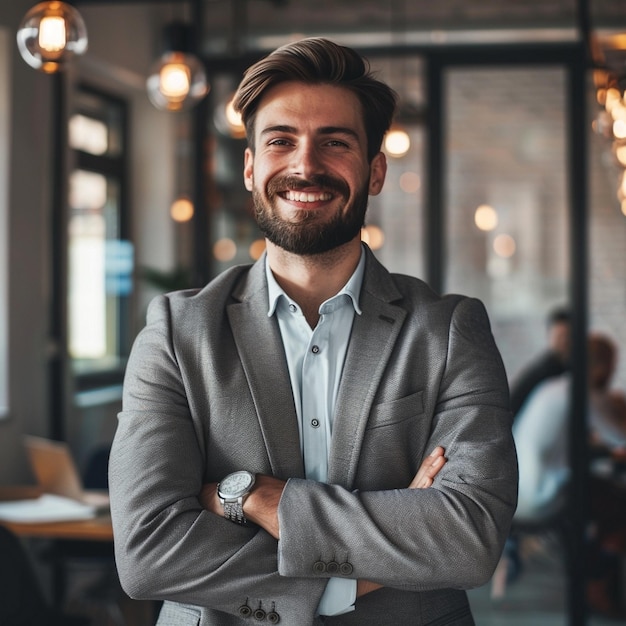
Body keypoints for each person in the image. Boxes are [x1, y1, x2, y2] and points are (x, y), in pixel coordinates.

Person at [109, 37, 517, 626]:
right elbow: (148, 553)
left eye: (335, 142)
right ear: (251, 168)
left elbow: (470, 537)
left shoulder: (449, 330)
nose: (305, 165)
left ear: (374, 170)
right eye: (280, 141)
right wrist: (362, 571)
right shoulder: (177, 332)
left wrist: (251, 495)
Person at [509, 306, 571, 417]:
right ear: (549, 336)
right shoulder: (545, 370)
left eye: (568, 336)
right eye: (559, 336)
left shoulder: (567, 366)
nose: (564, 341)